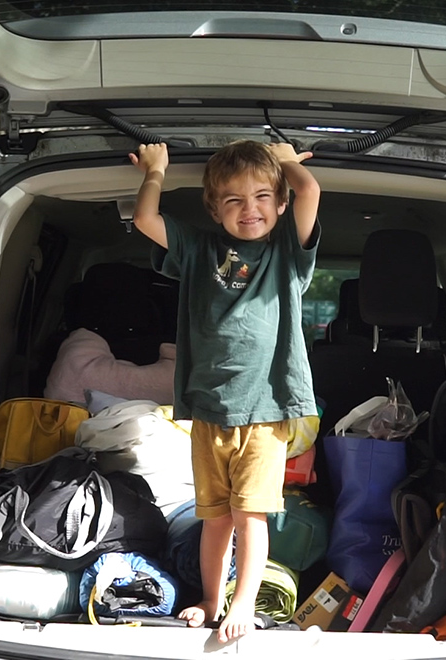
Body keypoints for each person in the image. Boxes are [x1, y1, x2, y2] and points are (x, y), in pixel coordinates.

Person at [128, 140, 321, 643]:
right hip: (209, 413)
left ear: (279, 204)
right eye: (234, 200)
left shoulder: (286, 254)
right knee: (213, 518)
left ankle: (242, 603)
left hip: (264, 411)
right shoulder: (198, 248)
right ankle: (211, 600)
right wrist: (156, 170)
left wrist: (286, 163)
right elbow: (147, 219)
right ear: (214, 209)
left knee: (248, 514)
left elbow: (310, 190)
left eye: (262, 197)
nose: (250, 209)